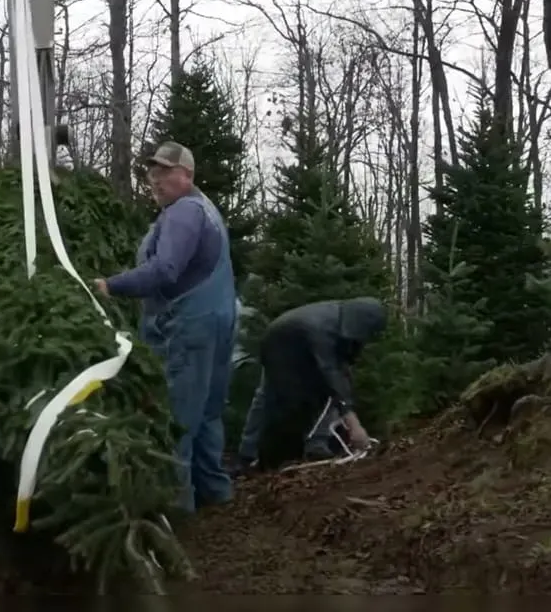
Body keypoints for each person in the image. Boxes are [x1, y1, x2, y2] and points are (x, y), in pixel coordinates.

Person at [92, 141, 238, 514]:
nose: (155, 180)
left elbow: (164, 269)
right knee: (206, 413)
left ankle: (176, 507)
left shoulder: (184, 212)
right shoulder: (206, 210)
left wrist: (112, 286)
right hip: (217, 323)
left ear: (187, 175)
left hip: (188, 328)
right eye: (152, 172)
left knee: (176, 417)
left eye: (165, 172)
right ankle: (215, 494)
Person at [235, 297, 387, 470]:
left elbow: (343, 363)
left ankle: (253, 453)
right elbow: (330, 373)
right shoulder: (323, 328)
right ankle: (266, 455)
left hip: (291, 340)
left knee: (268, 395)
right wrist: (354, 425)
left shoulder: (341, 318)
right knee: (282, 399)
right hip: (282, 346)